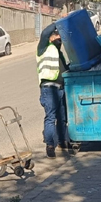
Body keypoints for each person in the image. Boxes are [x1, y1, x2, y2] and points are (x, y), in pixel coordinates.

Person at [36, 24, 69, 158]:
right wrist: (59, 22)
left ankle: (62, 142)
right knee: (51, 117)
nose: (59, 38)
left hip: (60, 89)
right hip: (49, 88)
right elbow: (44, 33)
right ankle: (50, 146)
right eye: (57, 35)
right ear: (51, 37)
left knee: (62, 117)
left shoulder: (58, 52)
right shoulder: (43, 48)